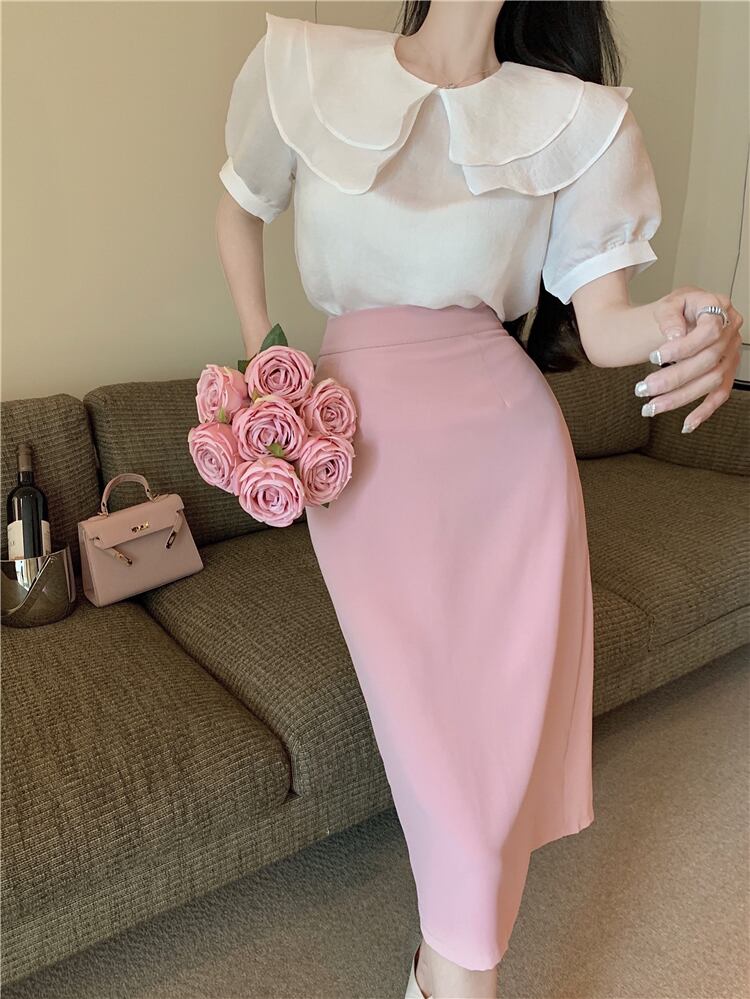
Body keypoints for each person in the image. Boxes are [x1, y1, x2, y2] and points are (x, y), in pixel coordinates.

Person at [215, 3, 743, 997]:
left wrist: (695, 319)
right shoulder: (303, 65)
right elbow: (240, 204)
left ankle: (448, 975)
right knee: (438, 765)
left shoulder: (577, 118)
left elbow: (607, 326)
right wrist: (263, 354)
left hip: (510, 453)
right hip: (359, 453)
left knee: (491, 766)